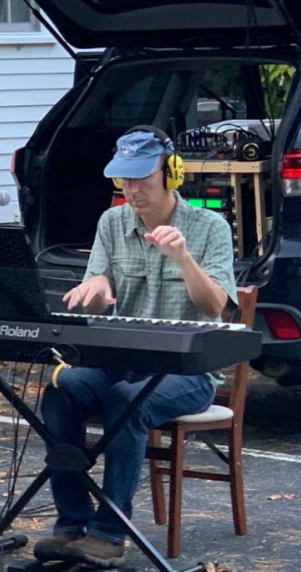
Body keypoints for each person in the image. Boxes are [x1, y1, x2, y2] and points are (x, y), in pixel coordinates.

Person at [34, 126, 237, 568]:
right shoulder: (112, 221)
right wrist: (98, 282)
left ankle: (109, 534)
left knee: (128, 401)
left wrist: (183, 259)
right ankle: (71, 522)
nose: (133, 190)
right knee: (60, 389)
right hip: (121, 359)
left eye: (142, 178)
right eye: (124, 180)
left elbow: (216, 305)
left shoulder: (209, 227)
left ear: (172, 173)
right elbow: (98, 282)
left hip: (188, 372)